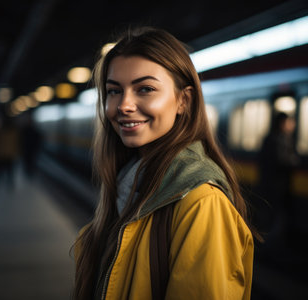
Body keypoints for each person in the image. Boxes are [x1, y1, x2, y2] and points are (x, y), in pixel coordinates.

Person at [73, 27, 259, 300]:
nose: (124, 105)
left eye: (145, 89)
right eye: (114, 91)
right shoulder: (127, 184)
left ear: (183, 100)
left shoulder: (201, 202)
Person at [258, 111, 300, 247]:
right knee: (275, 217)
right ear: (282, 124)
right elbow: (283, 161)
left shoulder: (270, 138)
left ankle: (269, 246)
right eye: (289, 122)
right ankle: (271, 247)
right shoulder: (279, 140)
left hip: (270, 184)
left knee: (271, 216)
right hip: (277, 186)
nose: (292, 125)